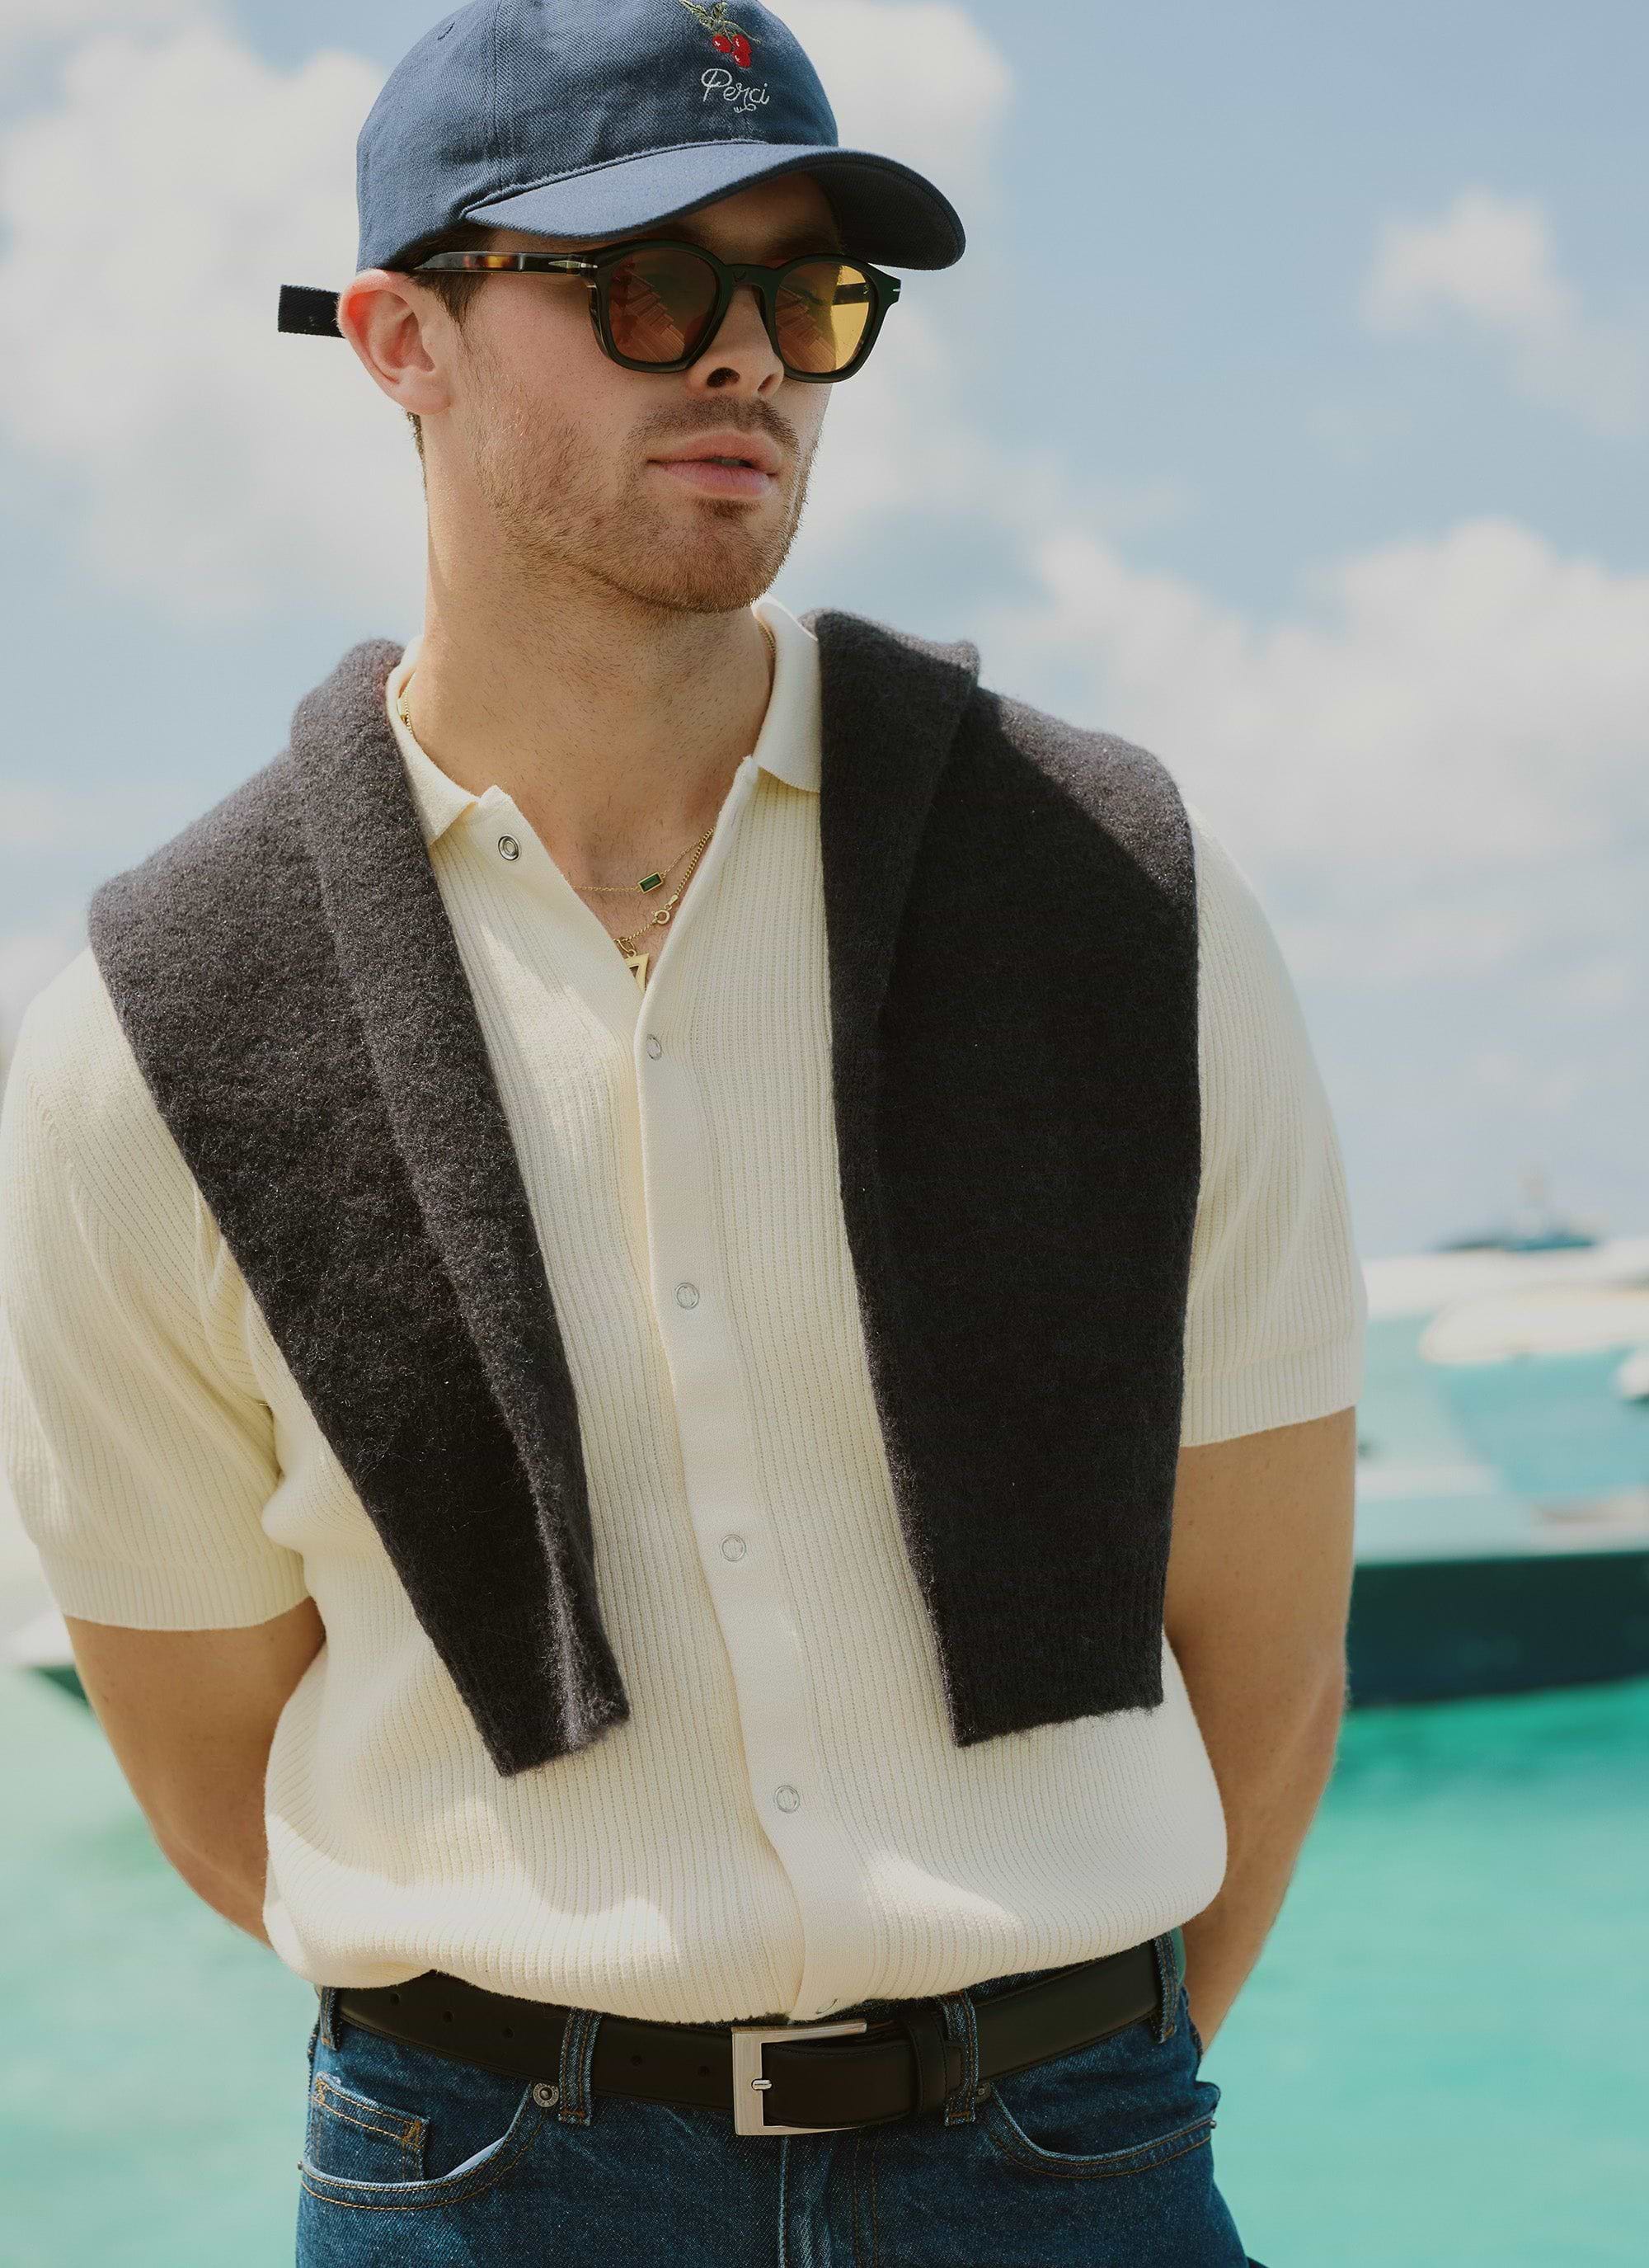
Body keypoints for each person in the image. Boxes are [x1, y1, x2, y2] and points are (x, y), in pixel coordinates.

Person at [0, 4, 1364, 2262]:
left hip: (1069, 2161)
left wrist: (1038, 2084)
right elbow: (204, 1765)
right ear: (395, 336)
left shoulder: (1112, 893)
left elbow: (1270, 1651)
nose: (744, 358)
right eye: (648, 286)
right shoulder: (152, 1038)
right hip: (485, 2184)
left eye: (804, 294)